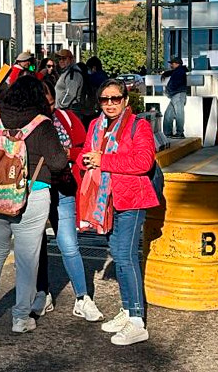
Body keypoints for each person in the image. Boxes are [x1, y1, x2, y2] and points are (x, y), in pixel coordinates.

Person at [0, 75, 67, 333]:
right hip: (32, 196)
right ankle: (20, 318)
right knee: (27, 259)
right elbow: (58, 163)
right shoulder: (42, 124)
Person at [77, 78, 159, 345]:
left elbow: (143, 162)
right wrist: (85, 159)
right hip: (106, 201)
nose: (110, 104)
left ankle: (137, 320)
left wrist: (104, 160)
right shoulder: (95, 125)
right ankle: (127, 309)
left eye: (115, 99)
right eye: (105, 99)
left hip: (132, 199)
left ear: (125, 100)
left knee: (124, 256)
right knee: (119, 255)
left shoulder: (139, 125)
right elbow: (85, 154)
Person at [33, 83, 104, 321]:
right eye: (45, 105)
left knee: (69, 245)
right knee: (36, 246)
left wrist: (68, 155)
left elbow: (83, 148)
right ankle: (42, 293)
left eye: (52, 104)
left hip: (62, 189)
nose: (49, 109)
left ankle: (83, 297)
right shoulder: (27, 122)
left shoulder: (66, 117)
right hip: (36, 191)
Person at [161, 57, 188, 138]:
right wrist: (166, 73)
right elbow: (172, 72)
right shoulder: (178, 71)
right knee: (168, 114)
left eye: (172, 64)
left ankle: (180, 133)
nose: (171, 65)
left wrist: (168, 90)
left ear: (177, 64)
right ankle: (168, 133)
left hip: (178, 95)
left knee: (179, 114)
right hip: (176, 95)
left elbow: (175, 83)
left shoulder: (179, 72)